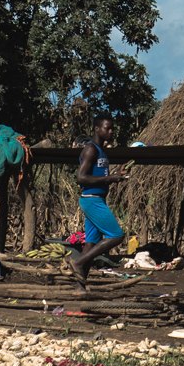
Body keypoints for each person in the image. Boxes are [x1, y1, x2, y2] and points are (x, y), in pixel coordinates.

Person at [68, 116, 127, 291]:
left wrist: (117, 174)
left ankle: (80, 288)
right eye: (107, 128)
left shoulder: (102, 151)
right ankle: (78, 262)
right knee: (116, 236)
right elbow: (81, 177)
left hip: (96, 199)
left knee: (90, 245)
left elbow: (99, 177)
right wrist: (110, 177)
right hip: (92, 200)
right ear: (96, 129)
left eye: (112, 129)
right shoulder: (91, 150)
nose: (110, 132)